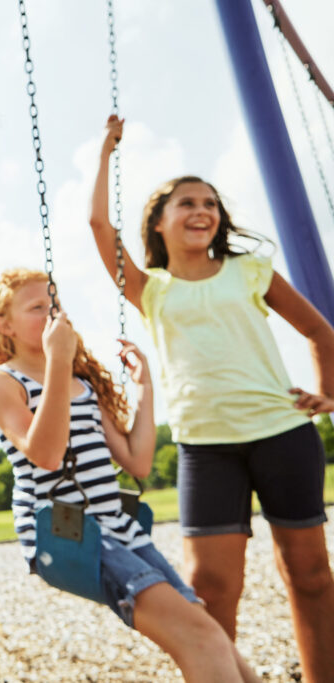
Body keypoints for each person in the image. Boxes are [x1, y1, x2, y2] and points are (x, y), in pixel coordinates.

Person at [90, 114, 334, 682]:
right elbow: (98, 224)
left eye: (210, 204)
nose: (202, 211)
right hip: (207, 449)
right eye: (187, 204)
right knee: (213, 588)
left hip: (283, 434)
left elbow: (321, 332)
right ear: (158, 222)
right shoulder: (151, 289)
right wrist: (106, 150)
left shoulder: (250, 270)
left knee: (311, 575)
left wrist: (327, 394)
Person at [0, 268, 260, 682]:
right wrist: (58, 358)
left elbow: (137, 461)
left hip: (118, 528)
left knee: (208, 630)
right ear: (5, 325)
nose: (53, 313)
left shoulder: (80, 385)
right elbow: (47, 454)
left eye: (55, 303)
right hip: (67, 533)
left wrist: (144, 390)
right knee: (198, 636)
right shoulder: (3, 382)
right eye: (38, 307)